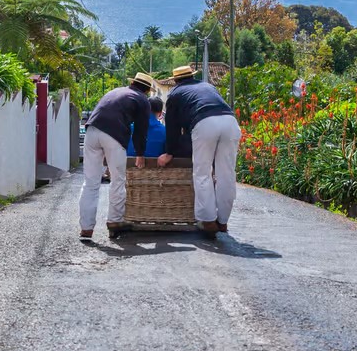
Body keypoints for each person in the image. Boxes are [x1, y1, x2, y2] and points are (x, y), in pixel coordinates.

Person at [158, 65, 240, 236]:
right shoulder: (209, 86)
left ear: (175, 81)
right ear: (192, 76)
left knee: (202, 172)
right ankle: (223, 221)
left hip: (204, 123)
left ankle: (208, 220)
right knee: (226, 174)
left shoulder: (175, 93)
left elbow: (172, 126)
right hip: (230, 122)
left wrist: (170, 152)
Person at [80, 73, 153, 239]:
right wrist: (140, 154)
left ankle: (86, 228)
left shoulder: (115, 92)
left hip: (91, 131)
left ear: (132, 83)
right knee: (118, 180)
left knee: (90, 182)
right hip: (114, 135)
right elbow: (141, 131)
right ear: (147, 90)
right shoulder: (142, 100)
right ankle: (114, 221)